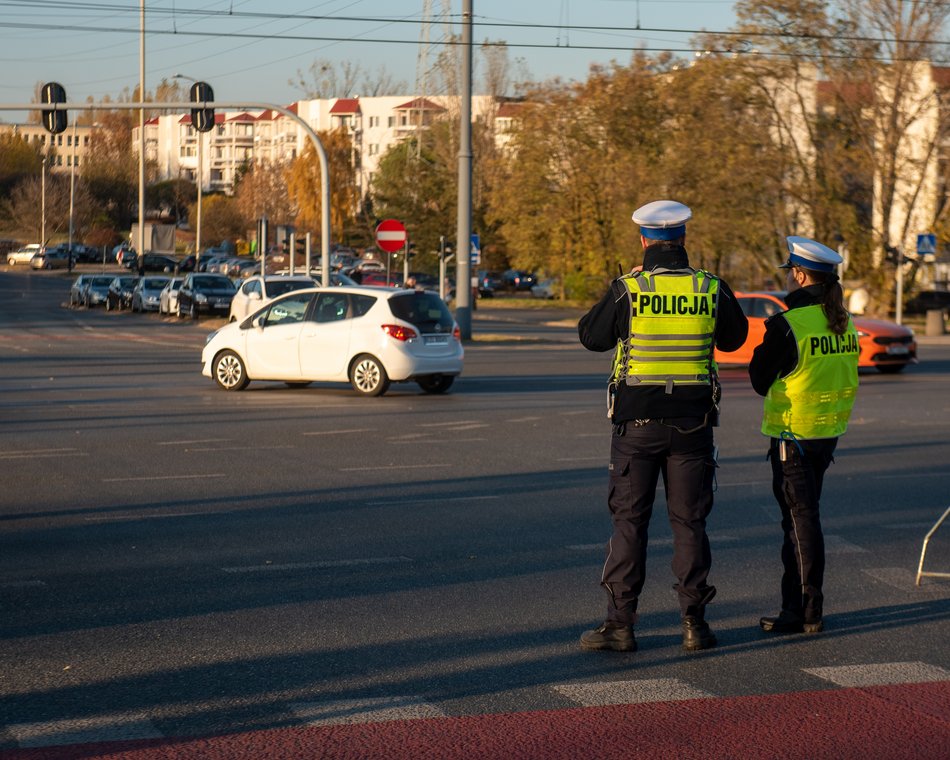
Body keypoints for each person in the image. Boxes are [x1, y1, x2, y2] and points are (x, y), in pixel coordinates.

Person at [577, 200, 749, 653]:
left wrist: (622, 288)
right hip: (693, 426)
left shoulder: (629, 288)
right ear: (684, 240)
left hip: (637, 427)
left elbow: (591, 337)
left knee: (630, 523)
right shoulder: (710, 288)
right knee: (689, 523)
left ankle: (620, 626)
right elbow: (736, 339)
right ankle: (694, 624)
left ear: (643, 240)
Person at [750, 236, 859, 635]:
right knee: (803, 520)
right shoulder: (844, 323)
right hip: (827, 434)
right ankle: (798, 605)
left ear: (798, 274)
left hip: (793, 436)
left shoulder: (788, 324)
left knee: (799, 523)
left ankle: (804, 610)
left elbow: (760, 381)